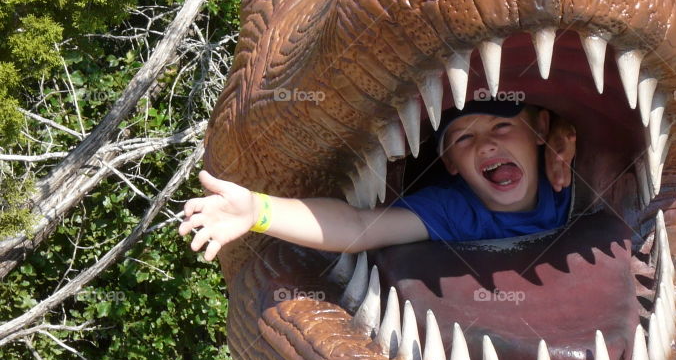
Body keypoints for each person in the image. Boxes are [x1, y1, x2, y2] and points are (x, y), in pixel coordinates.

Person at [179, 99, 577, 262]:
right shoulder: (454, 210)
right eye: (464, 138)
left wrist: (568, 124)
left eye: (503, 126)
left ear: (539, 133)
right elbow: (357, 226)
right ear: (450, 163)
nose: (488, 146)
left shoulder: (574, 173)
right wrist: (258, 210)